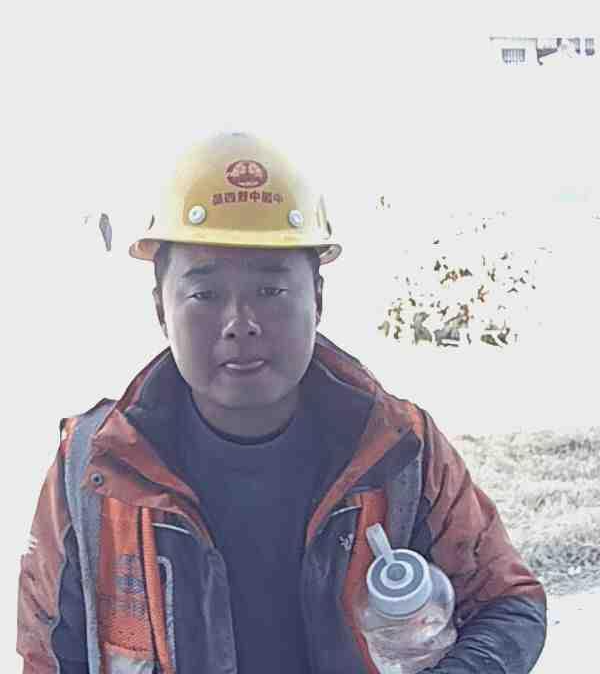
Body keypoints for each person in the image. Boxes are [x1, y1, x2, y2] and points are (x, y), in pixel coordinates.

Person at [17, 132, 547, 674]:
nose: (240, 323)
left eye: (270, 291)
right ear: (161, 309)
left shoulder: (399, 450)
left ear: (318, 298)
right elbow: (47, 656)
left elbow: (509, 603)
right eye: (205, 294)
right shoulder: (94, 467)